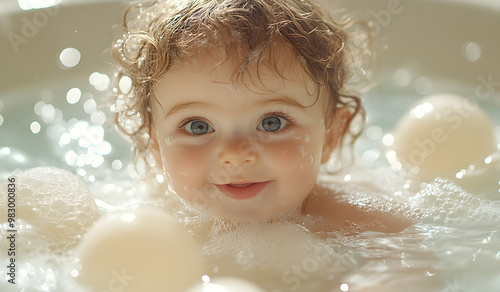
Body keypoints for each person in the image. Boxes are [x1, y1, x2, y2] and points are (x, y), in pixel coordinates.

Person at [111, 0, 411, 232]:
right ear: (156, 145)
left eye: (272, 123)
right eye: (197, 126)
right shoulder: (149, 220)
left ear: (331, 135)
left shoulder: (353, 221)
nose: (235, 156)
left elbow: (403, 265)